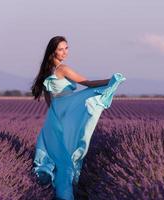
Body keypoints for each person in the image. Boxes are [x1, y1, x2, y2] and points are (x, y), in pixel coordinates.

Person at [30, 36, 126, 199]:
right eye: (61, 49)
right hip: (64, 118)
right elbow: (88, 84)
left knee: (55, 159)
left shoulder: (46, 72)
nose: (65, 52)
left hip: (53, 120)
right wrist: (111, 81)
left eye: (66, 48)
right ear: (52, 51)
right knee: (66, 162)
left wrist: (59, 117)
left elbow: (50, 103)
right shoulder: (63, 69)